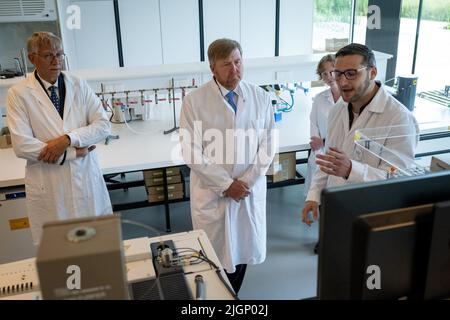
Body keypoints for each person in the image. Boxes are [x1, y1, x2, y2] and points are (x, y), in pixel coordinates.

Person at [179, 38, 275, 295]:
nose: (234, 70)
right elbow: (190, 150)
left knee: (243, 251)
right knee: (213, 256)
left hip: (247, 191)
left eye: (238, 62)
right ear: (212, 69)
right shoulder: (194, 101)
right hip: (213, 194)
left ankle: (231, 297)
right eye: (226, 65)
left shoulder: (261, 97)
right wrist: (225, 184)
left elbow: (268, 144)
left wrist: (246, 181)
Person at [7, 32, 112, 244]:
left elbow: (103, 125)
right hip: (50, 184)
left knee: (97, 248)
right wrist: (73, 153)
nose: (56, 61)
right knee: (59, 252)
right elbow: (22, 145)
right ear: (32, 58)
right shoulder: (19, 94)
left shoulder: (78, 85)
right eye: (48, 56)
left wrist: (68, 139)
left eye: (60, 54)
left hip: (85, 179)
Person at [301, 43, 418, 231]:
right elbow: (330, 160)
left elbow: (398, 181)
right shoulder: (338, 109)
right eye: (338, 74)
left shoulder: (399, 118)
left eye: (351, 73)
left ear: (372, 73)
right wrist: (313, 196)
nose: (343, 82)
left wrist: (351, 169)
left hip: (372, 216)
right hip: (335, 206)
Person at [304, 54, 341, 197]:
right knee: (316, 196)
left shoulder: (350, 99)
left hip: (340, 156)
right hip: (320, 154)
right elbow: (313, 124)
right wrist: (318, 147)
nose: (329, 76)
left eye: (332, 71)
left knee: (335, 198)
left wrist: (324, 141)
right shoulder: (319, 99)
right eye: (324, 74)